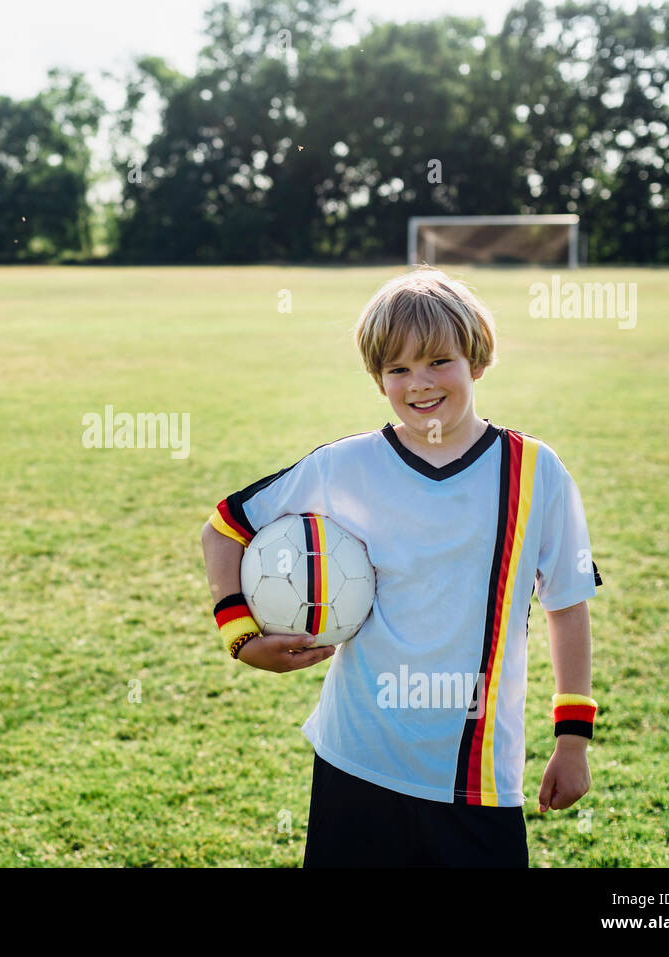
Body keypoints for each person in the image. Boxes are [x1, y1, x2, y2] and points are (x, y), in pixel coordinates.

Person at [200, 268, 603, 867]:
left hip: (478, 775)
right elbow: (225, 528)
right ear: (377, 377)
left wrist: (573, 738)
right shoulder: (345, 465)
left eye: (439, 361)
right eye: (398, 369)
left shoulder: (535, 473)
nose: (420, 384)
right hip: (356, 758)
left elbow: (566, 606)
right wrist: (240, 636)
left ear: (478, 358)